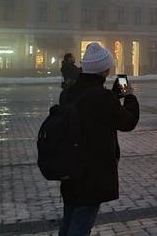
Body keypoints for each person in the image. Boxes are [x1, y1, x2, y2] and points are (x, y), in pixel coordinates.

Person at [57, 43, 139, 236]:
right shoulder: (103, 98)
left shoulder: (68, 93)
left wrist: (111, 97)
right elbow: (128, 122)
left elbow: (90, 111)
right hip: (92, 172)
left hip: (70, 168)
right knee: (80, 227)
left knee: (69, 219)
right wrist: (129, 97)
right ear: (104, 69)